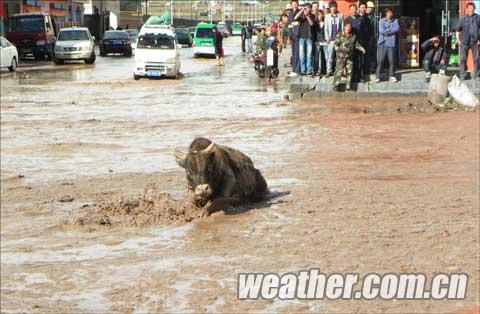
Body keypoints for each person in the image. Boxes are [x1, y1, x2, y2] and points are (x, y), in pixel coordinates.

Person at [333, 22, 365, 91]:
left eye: (350, 27)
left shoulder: (353, 36)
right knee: (339, 71)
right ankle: (335, 85)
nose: (349, 28)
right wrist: (339, 52)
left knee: (350, 72)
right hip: (341, 57)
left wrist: (362, 48)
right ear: (344, 27)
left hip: (349, 57)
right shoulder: (340, 35)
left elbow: (356, 45)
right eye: (347, 26)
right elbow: (335, 45)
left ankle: (348, 87)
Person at [456, 2, 480, 80]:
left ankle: (476, 75)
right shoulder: (462, 19)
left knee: (476, 58)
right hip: (464, 42)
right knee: (463, 59)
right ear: (467, 9)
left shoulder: (478, 17)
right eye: (469, 8)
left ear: (474, 9)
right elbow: (457, 30)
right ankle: (463, 75)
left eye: (472, 8)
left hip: (475, 41)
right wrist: (458, 39)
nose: (471, 10)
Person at [344, 3, 368, 83]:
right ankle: (351, 77)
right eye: (352, 9)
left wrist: (364, 42)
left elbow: (365, 31)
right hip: (350, 44)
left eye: (355, 9)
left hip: (360, 43)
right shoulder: (347, 20)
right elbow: (345, 32)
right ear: (349, 10)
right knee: (351, 61)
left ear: (357, 10)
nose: (353, 11)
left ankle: (360, 77)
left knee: (359, 61)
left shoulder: (361, 19)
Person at [375, 8, 399, 83]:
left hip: (391, 43)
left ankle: (391, 75)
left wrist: (387, 31)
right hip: (382, 42)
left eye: (391, 13)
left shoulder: (395, 21)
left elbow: (397, 29)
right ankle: (378, 76)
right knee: (380, 60)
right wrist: (390, 31)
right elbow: (381, 31)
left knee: (392, 60)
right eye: (388, 13)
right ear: (386, 14)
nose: (390, 14)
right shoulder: (381, 21)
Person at [324, 0, 344, 77]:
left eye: (334, 7)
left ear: (336, 7)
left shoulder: (341, 16)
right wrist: (327, 38)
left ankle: (338, 71)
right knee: (330, 57)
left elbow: (342, 28)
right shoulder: (327, 16)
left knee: (339, 57)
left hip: (338, 39)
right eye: (331, 7)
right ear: (330, 8)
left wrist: (342, 39)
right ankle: (329, 71)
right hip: (330, 40)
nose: (333, 8)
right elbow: (326, 28)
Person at [295, 3, 315, 75]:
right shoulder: (301, 15)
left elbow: (311, 24)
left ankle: (309, 70)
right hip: (301, 37)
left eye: (309, 8)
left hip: (309, 37)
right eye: (306, 8)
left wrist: (307, 16)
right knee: (302, 55)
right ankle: (303, 70)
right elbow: (295, 18)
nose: (308, 9)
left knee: (309, 55)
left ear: (310, 9)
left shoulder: (312, 15)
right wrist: (302, 11)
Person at [359, 2, 374, 81]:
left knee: (366, 58)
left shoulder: (368, 18)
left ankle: (366, 73)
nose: (363, 9)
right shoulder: (357, 17)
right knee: (359, 59)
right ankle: (360, 76)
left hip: (367, 41)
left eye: (364, 7)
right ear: (359, 8)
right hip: (359, 42)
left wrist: (371, 39)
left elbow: (371, 30)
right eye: (362, 7)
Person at [287, 0, 301, 76]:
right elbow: (288, 24)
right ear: (291, 5)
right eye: (293, 4)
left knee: (297, 53)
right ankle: (294, 69)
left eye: (296, 4)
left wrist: (293, 24)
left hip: (298, 35)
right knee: (293, 53)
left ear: (298, 5)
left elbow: (299, 23)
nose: (294, 5)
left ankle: (297, 70)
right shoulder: (290, 13)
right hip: (292, 35)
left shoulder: (300, 12)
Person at [314, 10, 328, 77]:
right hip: (317, 41)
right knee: (317, 57)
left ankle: (324, 70)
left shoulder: (326, 22)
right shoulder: (315, 23)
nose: (320, 16)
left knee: (325, 57)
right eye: (318, 14)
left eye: (321, 14)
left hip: (325, 41)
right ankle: (316, 70)